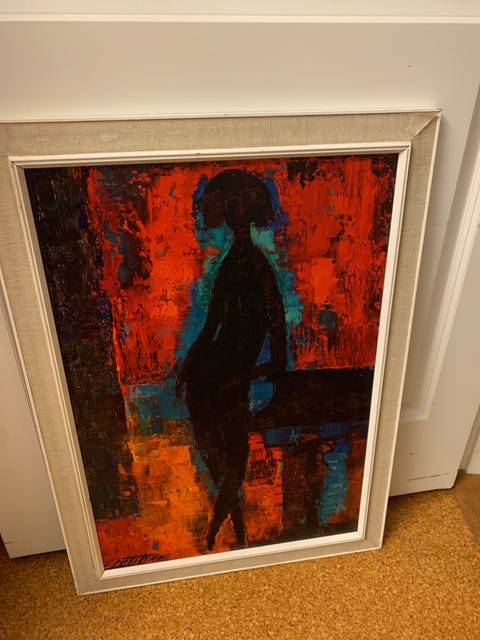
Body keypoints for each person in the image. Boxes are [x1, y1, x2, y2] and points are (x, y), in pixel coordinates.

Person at [176, 169, 287, 550]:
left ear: (249, 211)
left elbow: (278, 348)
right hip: (210, 374)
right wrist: (188, 366)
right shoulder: (229, 267)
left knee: (232, 465)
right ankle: (232, 534)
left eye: (237, 206)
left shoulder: (259, 269)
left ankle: (217, 534)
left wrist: (242, 379)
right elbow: (212, 326)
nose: (233, 214)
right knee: (223, 462)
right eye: (229, 207)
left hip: (230, 379)